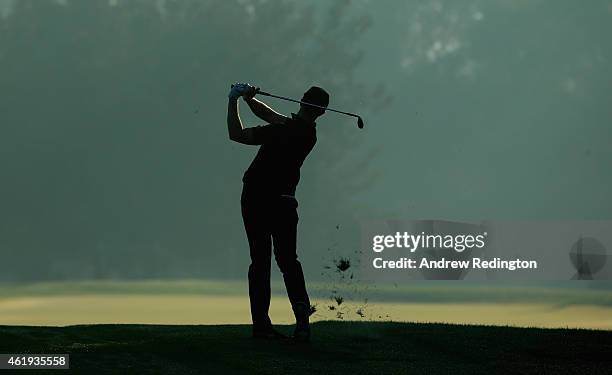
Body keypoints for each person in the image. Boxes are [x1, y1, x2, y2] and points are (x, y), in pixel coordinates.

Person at [226, 83, 329, 342]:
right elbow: (271, 116)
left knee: (260, 262)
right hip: (284, 202)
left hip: (257, 199)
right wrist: (250, 99)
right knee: (288, 261)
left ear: (302, 101)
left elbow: (236, 134)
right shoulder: (307, 133)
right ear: (322, 113)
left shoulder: (282, 130)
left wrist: (233, 100)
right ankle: (303, 322)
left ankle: (261, 326)